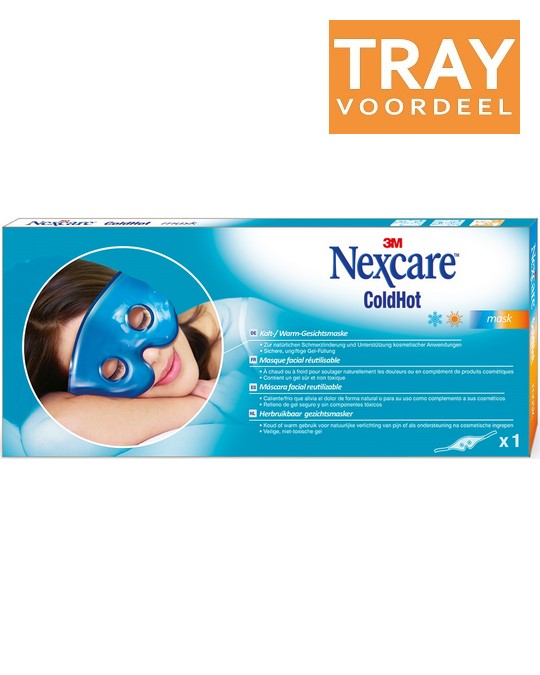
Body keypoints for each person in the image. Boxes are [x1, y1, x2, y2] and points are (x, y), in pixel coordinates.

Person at [24, 259, 222, 446]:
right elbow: (51, 433)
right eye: (116, 370)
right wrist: (208, 404)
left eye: (142, 321)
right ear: (79, 397)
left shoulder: (234, 328)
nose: (153, 356)